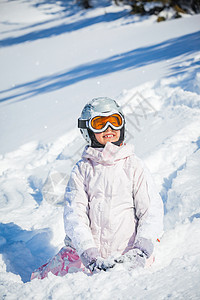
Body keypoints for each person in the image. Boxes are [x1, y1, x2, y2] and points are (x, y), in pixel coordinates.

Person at [31, 97, 163, 279]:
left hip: (127, 254)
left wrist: (141, 249)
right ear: (88, 130)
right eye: (100, 123)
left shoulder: (134, 165)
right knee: (44, 283)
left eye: (114, 121)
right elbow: (75, 215)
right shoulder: (82, 169)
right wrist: (88, 253)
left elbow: (151, 210)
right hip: (85, 256)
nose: (109, 128)